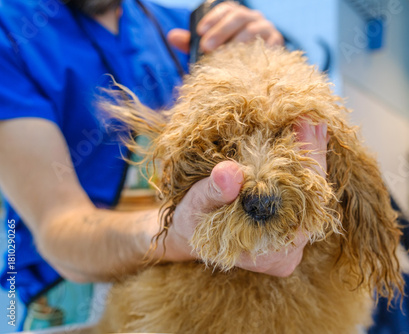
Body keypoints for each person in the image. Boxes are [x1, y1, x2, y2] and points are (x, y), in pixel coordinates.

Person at [0, 0, 327, 330]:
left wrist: (266, 55)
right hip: (72, 304)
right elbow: (59, 228)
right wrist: (177, 235)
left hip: (203, 298)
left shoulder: (192, 29)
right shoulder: (13, 33)